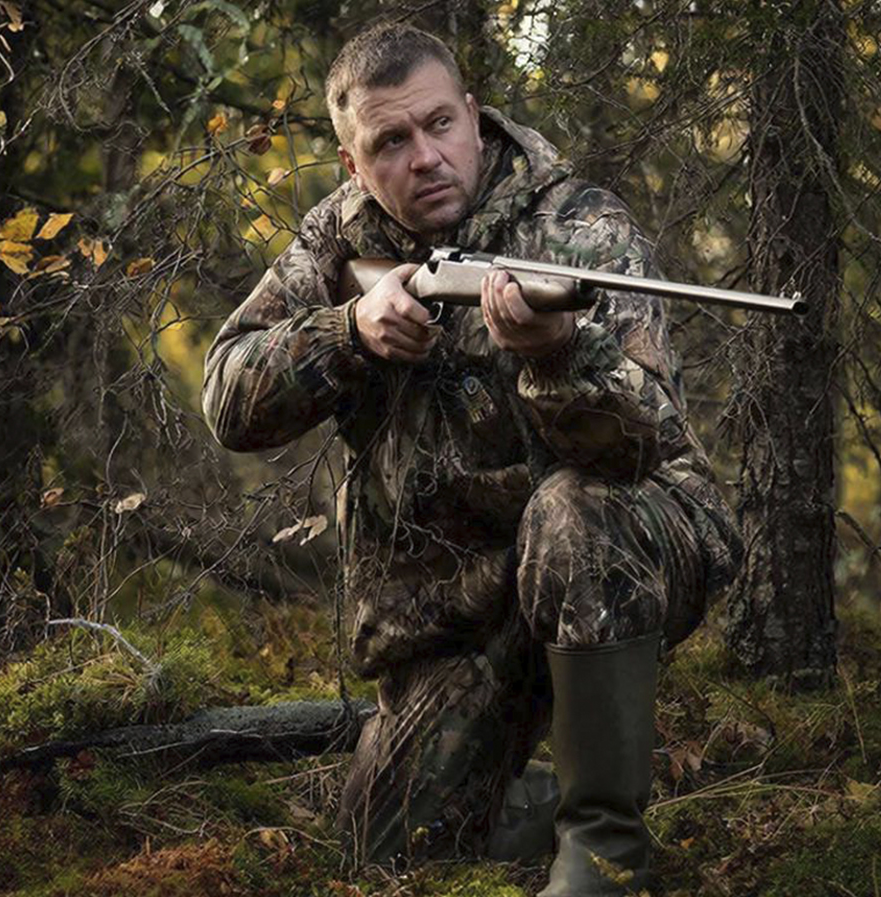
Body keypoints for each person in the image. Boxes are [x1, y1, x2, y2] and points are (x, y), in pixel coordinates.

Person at [200, 21, 742, 895]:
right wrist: (348, 332)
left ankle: (604, 854)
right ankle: (543, 795)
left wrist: (559, 353)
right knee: (386, 846)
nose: (425, 157)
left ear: (474, 114)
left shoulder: (579, 226)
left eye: (440, 124)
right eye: (391, 142)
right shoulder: (337, 238)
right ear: (352, 164)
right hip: (464, 605)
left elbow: (645, 442)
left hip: (622, 545)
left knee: (572, 510)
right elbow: (227, 396)